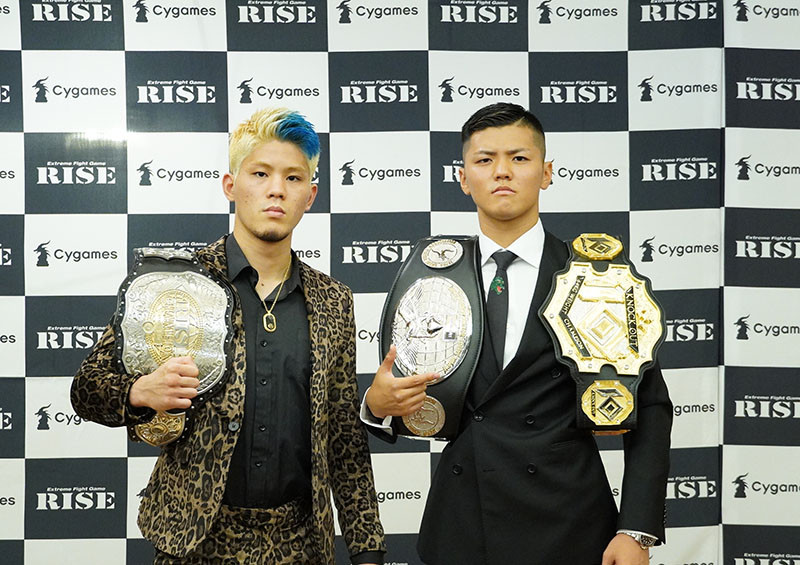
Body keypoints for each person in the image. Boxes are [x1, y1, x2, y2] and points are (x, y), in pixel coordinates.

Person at [72, 107, 385, 565]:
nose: (277, 189)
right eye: (260, 173)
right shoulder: (176, 281)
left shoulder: (333, 301)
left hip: (299, 543)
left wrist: (367, 547)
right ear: (230, 185)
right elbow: (87, 389)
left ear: (310, 195)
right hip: (193, 541)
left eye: (293, 178)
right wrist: (138, 392)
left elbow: (343, 437)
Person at [362, 103, 672, 565]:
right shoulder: (432, 276)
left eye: (519, 158)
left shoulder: (598, 279)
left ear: (546, 173)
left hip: (569, 525)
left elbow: (649, 407)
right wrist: (376, 406)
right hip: (462, 526)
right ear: (463, 178)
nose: (502, 171)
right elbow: (399, 395)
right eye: (484, 160)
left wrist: (636, 530)